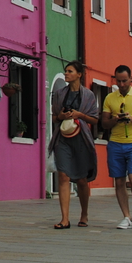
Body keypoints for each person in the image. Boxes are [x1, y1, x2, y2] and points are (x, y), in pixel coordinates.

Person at [48, 60, 99, 229]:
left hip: (81, 138)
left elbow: (94, 119)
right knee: (63, 175)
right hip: (63, 138)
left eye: (70, 71)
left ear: (79, 74)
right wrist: (61, 117)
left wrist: (80, 115)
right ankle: (65, 219)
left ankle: (84, 214)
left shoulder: (89, 95)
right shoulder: (59, 94)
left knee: (82, 179)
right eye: (65, 71)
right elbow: (55, 117)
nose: (66, 74)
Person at [101, 65, 132, 229]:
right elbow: (104, 123)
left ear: (131, 79)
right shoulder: (109, 98)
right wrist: (116, 119)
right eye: (119, 80)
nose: (121, 84)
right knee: (119, 180)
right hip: (115, 143)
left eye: (124, 80)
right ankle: (126, 216)